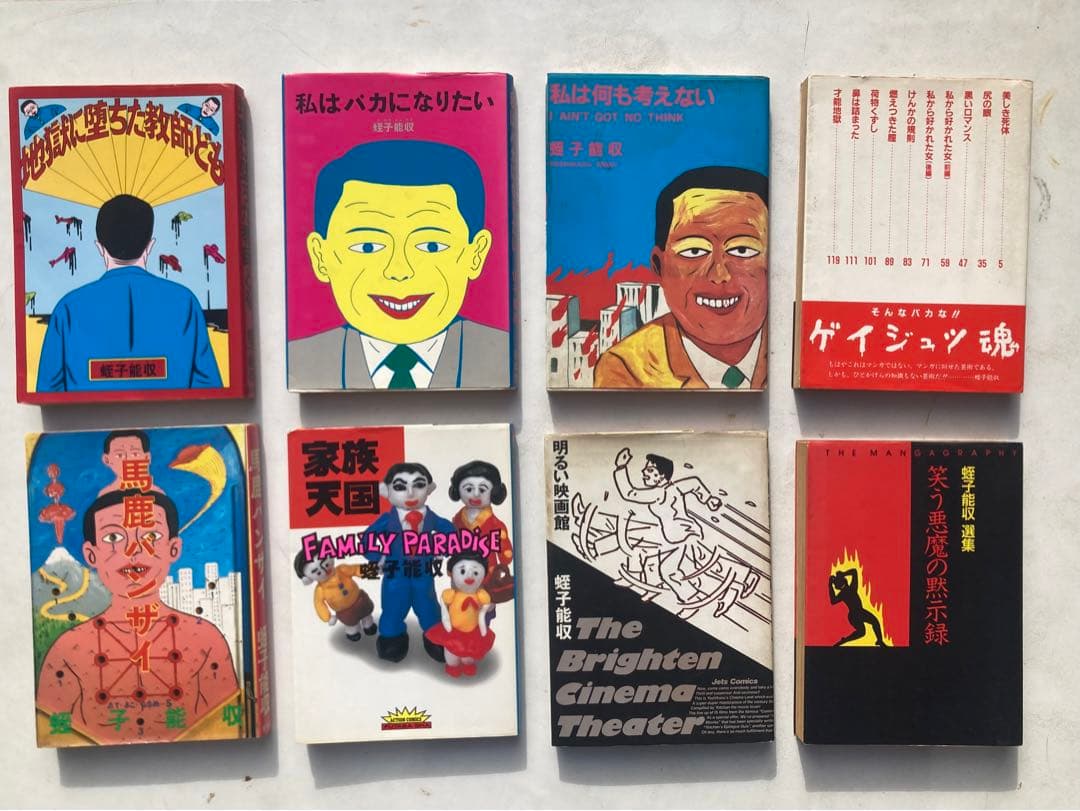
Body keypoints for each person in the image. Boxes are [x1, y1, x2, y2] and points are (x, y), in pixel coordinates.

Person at [288, 140, 509, 389]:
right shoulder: (303, 361)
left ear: (476, 254)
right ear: (321, 256)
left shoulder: (501, 355)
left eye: (431, 246)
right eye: (367, 246)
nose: (399, 270)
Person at [36, 490, 240, 744]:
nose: (133, 550)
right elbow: (56, 732)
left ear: (174, 548)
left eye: (151, 536)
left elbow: (227, 726)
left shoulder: (206, 640)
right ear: (91, 555)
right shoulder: (66, 650)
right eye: (113, 537)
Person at [594, 166, 769, 390]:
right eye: (694, 251)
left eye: (742, 250)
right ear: (659, 266)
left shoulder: (794, 349)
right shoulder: (628, 368)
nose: (719, 275)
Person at [36, 194, 222, 392]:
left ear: (100, 247)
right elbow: (209, 391)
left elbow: (49, 393)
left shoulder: (68, 308)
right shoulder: (185, 301)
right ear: (150, 245)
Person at [612, 447, 758, 613]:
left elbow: (630, 493)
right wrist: (707, 499)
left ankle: (745, 577)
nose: (644, 472)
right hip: (675, 539)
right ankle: (689, 597)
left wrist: (621, 467)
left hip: (685, 535)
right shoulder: (672, 488)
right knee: (671, 569)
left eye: (650, 470)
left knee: (703, 563)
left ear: (662, 476)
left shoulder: (660, 493)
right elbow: (694, 483)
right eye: (645, 469)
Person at [363, 462, 453, 662]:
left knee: (429, 606)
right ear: (386, 491)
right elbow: (366, 539)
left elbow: (449, 530)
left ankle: (434, 634)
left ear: (429, 488)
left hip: (423, 574)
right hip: (395, 575)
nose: (410, 493)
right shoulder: (388, 520)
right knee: (393, 607)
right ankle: (392, 635)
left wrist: (443, 548)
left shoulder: (430, 517)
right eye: (400, 486)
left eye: (419, 485)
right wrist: (379, 557)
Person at [448, 460, 513, 607]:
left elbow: (506, 555)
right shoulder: (457, 520)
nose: (476, 494)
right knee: (459, 603)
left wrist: (504, 560)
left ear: (494, 492)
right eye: (468, 489)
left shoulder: (495, 524)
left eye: (483, 489)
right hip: (461, 569)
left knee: (484, 604)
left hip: (487, 572)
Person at [424, 551, 495, 678]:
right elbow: (444, 608)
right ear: (451, 573)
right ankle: (453, 666)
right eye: (462, 571)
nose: (469, 576)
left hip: (473, 631)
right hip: (453, 630)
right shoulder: (451, 595)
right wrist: (446, 623)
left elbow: (485, 608)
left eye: (476, 572)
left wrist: (486, 609)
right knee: (452, 652)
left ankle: (468, 664)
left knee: (469, 654)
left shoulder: (480, 595)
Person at [294, 550, 376, 641]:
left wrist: (371, 570)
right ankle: (353, 632)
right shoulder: (320, 590)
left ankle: (368, 625)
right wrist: (327, 617)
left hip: (359, 600)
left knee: (367, 615)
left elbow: (355, 569)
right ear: (307, 579)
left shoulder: (342, 570)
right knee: (351, 625)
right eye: (317, 572)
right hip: (345, 612)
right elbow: (319, 604)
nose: (325, 570)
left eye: (326, 564)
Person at [829, 568, 886, 646]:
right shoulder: (849, 590)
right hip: (856, 614)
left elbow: (854, 571)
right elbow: (854, 572)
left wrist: (830, 585)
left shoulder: (846, 591)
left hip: (857, 613)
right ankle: (844, 641)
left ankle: (879, 641)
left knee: (866, 628)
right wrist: (843, 574)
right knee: (869, 626)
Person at [98, 429, 163, 495]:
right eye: (120, 455)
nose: (128, 459)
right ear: (106, 460)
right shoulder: (105, 494)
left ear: (147, 457)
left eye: (135, 454)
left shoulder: (158, 494)